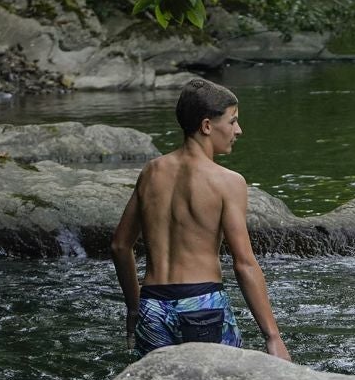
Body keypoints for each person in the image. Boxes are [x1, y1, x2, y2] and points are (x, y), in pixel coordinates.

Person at [111, 80, 290, 361]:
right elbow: (243, 263)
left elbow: (120, 246)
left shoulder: (151, 172)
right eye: (232, 122)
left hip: (153, 305)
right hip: (201, 305)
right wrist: (273, 337)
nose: (238, 131)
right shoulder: (227, 182)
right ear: (207, 126)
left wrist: (134, 308)